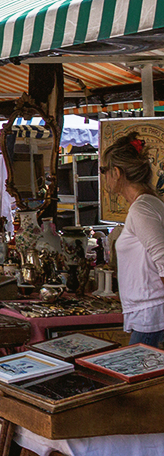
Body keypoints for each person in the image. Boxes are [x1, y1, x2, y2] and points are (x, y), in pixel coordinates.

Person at [103, 132, 164, 346]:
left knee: (138, 374)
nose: (104, 176)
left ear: (117, 172)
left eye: (104, 170)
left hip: (151, 313)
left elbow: (163, 261)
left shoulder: (142, 209)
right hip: (148, 310)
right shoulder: (147, 204)